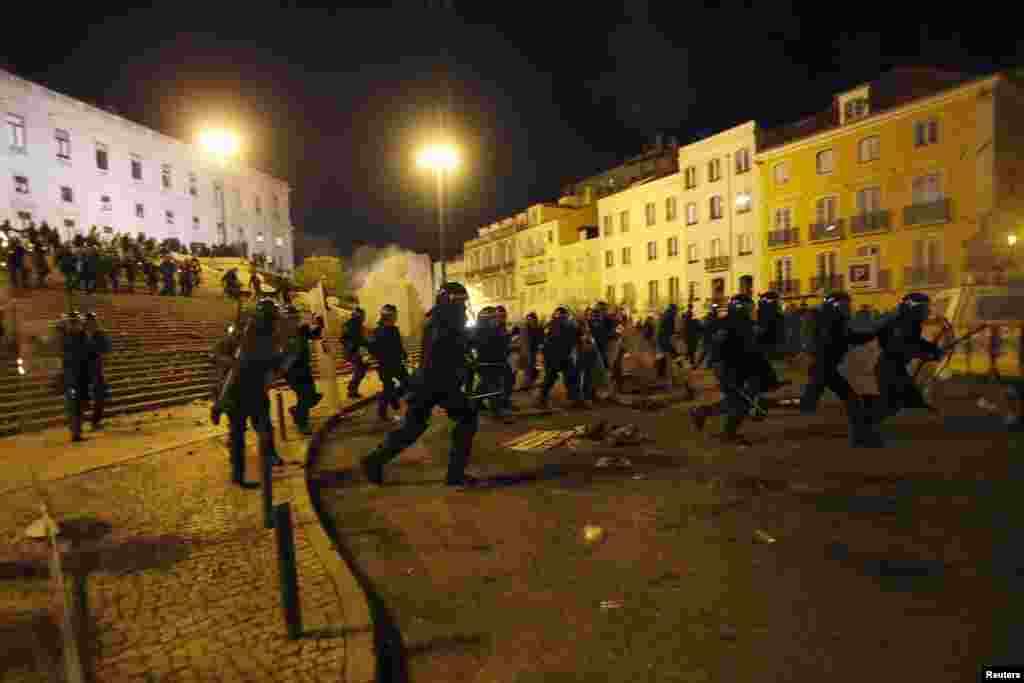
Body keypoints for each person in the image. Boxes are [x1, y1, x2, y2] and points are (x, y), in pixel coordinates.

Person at [360, 282, 480, 488]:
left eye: (463, 301)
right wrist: (460, 360)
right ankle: (454, 475)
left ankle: (374, 460)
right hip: (436, 383)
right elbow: (439, 354)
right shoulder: (442, 321)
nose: (462, 306)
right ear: (448, 300)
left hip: (430, 383)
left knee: (413, 428)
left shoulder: (442, 318)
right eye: (459, 301)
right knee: (466, 419)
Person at [216, 298, 289, 487]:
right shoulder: (242, 335)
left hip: (254, 390)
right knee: (239, 433)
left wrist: (278, 365)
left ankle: (268, 457)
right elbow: (220, 355)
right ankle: (239, 475)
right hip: (238, 391)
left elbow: (273, 362)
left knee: (262, 428)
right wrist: (230, 362)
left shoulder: (268, 337)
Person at [798, 291, 879, 446]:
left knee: (809, 402)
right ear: (836, 305)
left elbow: (849, 337)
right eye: (845, 304)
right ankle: (860, 437)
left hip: (824, 367)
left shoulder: (832, 319)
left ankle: (766, 403)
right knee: (852, 400)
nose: (848, 307)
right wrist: (871, 335)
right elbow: (845, 339)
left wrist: (871, 334)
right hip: (825, 368)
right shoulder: (831, 321)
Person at [864, 293, 944, 442]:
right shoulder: (900, 322)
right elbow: (901, 346)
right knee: (892, 404)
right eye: (925, 307)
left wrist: (933, 349)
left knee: (911, 399)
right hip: (889, 369)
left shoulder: (910, 322)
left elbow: (914, 342)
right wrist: (927, 354)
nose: (928, 311)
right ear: (914, 307)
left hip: (895, 368)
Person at [688, 294, 762, 447]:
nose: (753, 309)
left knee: (736, 401)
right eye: (750, 306)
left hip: (736, 367)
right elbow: (719, 347)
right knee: (739, 402)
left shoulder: (740, 323)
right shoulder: (731, 324)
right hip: (729, 368)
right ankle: (728, 433)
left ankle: (702, 412)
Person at [282, 306, 324, 434]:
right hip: (291, 370)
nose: (293, 320)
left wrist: (320, 325)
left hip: (304, 367)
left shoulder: (302, 329)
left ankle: (297, 411)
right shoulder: (281, 332)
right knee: (304, 396)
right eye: (290, 317)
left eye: (295, 317)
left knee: (311, 396)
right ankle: (302, 424)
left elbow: (314, 336)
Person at [53, 311, 90, 442]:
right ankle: (75, 432)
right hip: (72, 377)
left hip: (81, 376)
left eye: (76, 322)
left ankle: (77, 430)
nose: (75, 325)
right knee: (73, 404)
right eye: (73, 322)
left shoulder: (82, 336)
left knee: (79, 404)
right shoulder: (67, 338)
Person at [369, 304, 408, 423]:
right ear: (389, 316)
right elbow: (373, 349)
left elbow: (399, 345)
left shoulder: (394, 329)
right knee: (388, 389)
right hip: (384, 365)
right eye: (395, 315)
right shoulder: (377, 331)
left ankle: (393, 398)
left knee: (407, 383)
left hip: (396, 364)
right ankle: (383, 410)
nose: (396, 317)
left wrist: (403, 354)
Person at [537, 306, 580, 408]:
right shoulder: (554, 325)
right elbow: (545, 341)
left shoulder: (566, 325)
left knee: (569, 377)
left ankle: (573, 399)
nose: (561, 318)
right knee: (552, 378)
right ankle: (542, 399)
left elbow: (576, 337)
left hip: (563, 356)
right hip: (555, 356)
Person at [82, 312, 111, 430]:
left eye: (93, 321)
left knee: (101, 394)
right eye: (88, 321)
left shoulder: (99, 334)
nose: (91, 323)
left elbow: (106, 348)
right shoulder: (80, 334)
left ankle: (95, 420)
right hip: (83, 368)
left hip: (96, 368)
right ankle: (79, 422)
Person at [341, 307, 370, 398]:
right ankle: (352, 390)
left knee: (361, 370)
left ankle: (352, 389)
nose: (364, 317)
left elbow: (344, 338)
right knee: (360, 370)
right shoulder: (354, 324)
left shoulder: (352, 324)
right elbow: (357, 339)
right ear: (359, 315)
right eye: (363, 315)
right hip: (354, 351)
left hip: (354, 351)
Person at [655, 303, 679, 380]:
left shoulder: (666, 315)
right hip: (664, 339)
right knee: (673, 354)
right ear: (673, 310)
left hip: (661, 339)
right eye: (676, 310)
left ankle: (660, 373)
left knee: (663, 356)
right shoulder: (669, 316)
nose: (676, 312)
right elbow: (670, 330)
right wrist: (675, 334)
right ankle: (680, 369)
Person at [522, 312, 544, 388]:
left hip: (536, 350)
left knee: (536, 368)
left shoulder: (539, 328)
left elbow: (541, 338)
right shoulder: (525, 328)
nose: (529, 321)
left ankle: (531, 381)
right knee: (528, 368)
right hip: (528, 351)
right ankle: (527, 383)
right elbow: (524, 339)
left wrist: (540, 348)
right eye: (528, 319)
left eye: (531, 319)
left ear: (535, 319)